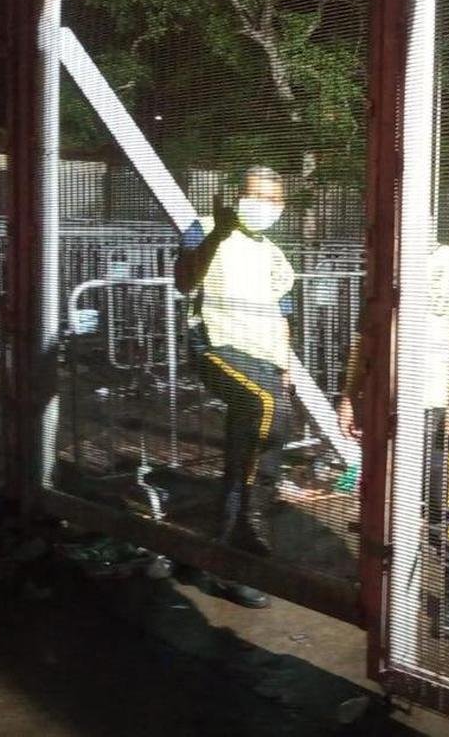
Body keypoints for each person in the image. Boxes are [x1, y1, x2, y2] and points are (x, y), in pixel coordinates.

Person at [338, 243, 449, 638]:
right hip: (380, 406)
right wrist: (349, 396)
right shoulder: (381, 260)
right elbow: (363, 338)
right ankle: (383, 587)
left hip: (432, 407)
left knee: (441, 506)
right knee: (379, 501)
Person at [174, 165, 296, 609]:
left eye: (271, 199)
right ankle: (253, 524)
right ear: (235, 195)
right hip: (218, 346)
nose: (260, 206)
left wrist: (285, 366)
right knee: (272, 412)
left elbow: (284, 316)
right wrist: (217, 236)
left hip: (264, 359)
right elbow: (184, 280)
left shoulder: (276, 255)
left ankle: (219, 560)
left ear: (281, 207)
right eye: (252, 195)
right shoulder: (204, 229)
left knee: (249, 451)